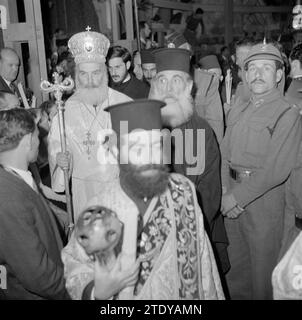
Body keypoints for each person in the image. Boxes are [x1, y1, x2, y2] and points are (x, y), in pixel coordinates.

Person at [61, 99, 225, 300]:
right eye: (137, 148)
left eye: (155, 146)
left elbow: (204, 262)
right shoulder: (100, 207)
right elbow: (73, 264)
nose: (149, 157)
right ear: (117, 151)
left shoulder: (182, 190)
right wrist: (96, 291)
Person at [220, 42, 302, 300]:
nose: (257, 73)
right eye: (252, 68)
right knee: (235, 274)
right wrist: (224, 192)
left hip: (265, 205)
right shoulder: (238, 109)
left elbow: (276, 169)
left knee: (262, 277)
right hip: (230, 198)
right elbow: (224, 154)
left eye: (266, 68)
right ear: (244, 74)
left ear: (279, 75)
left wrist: (236, 198)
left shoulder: (287, 113)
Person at [149, 48, 230, 277]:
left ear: (188, 87)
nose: (169, 88)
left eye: (176, 80)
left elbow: (210, 191)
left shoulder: (202, 130)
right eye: (162, 80)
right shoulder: (140, 125)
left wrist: (185, 225)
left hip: (194, 230)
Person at [48, 28, 132, 221]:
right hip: (83, 190)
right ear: (77, 75)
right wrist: (60, 159)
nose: (90, 80)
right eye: (84, 74)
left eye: (96, 73)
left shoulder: (124, 103)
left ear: (105, 73)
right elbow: (56, 145)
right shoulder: (65, 109)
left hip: (118, 188)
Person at [0, 108, 70, 299]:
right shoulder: (7, 197)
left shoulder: (17, 176)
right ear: (27, 141)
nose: (41, 142)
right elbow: (38, 276)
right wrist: (78, 288)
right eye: (38, 136)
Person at [195, 54, 224, 144]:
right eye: (210, 75)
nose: (214, 79)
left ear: (222, 78)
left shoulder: (222, 94)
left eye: (217, 75)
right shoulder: (194, 94)